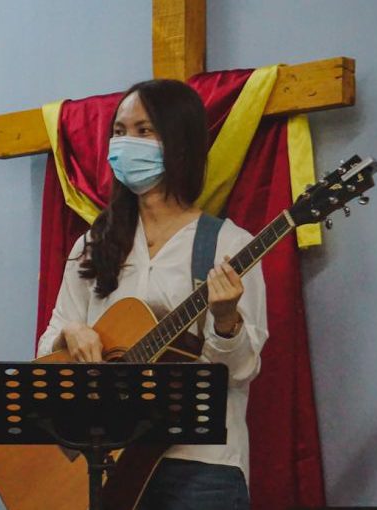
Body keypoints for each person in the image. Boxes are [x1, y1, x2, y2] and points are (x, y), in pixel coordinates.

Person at [36, 79, 268, 510]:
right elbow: (47, 344)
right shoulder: (93, 245)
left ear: (179, 142)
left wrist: (225, 322)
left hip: (203, 468)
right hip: (105, 461)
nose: (127, 143)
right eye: (119, 131)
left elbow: (240, 372)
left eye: (144, 131)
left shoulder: (229, 245)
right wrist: (71, 332)